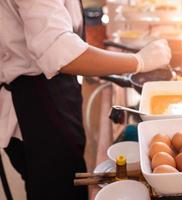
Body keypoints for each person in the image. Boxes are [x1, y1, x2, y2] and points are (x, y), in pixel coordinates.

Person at [0, 0, 171, 199]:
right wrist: (139, 61)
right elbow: (59, 51)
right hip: (34, 109)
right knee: (59, 191)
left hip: (52, 95)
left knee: (66, 183)